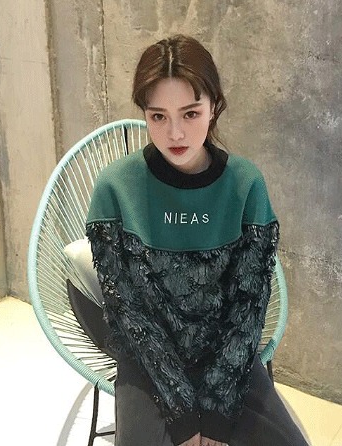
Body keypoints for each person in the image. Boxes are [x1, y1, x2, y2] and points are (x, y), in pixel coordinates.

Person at [86, 34, 309, 446]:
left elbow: (248, 308)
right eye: (158, 116)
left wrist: (217, 411)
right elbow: (128, 311)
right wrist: (184, 413)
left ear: (214, 107)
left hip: (225, 358)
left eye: (190, 113)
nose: (175, 133)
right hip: (147, 360)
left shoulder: (245, 184)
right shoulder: (115, 187)